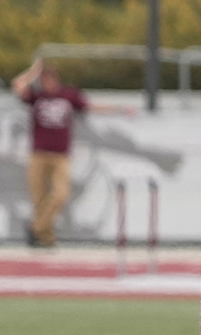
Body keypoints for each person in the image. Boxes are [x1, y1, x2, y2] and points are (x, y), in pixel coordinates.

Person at [11, 59, 133, 247]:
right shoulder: (37, 97)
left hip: (61, 155)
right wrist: (32, 73)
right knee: (39, 198)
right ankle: (46, 237)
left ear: (57, 80)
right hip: (39, 154)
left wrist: (120, 109)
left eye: (50, 80)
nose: (48, 84)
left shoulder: (68, 95)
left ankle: (35, 227)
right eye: (44, 81)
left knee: (61, 194)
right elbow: (17, 85)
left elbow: (92, 107)